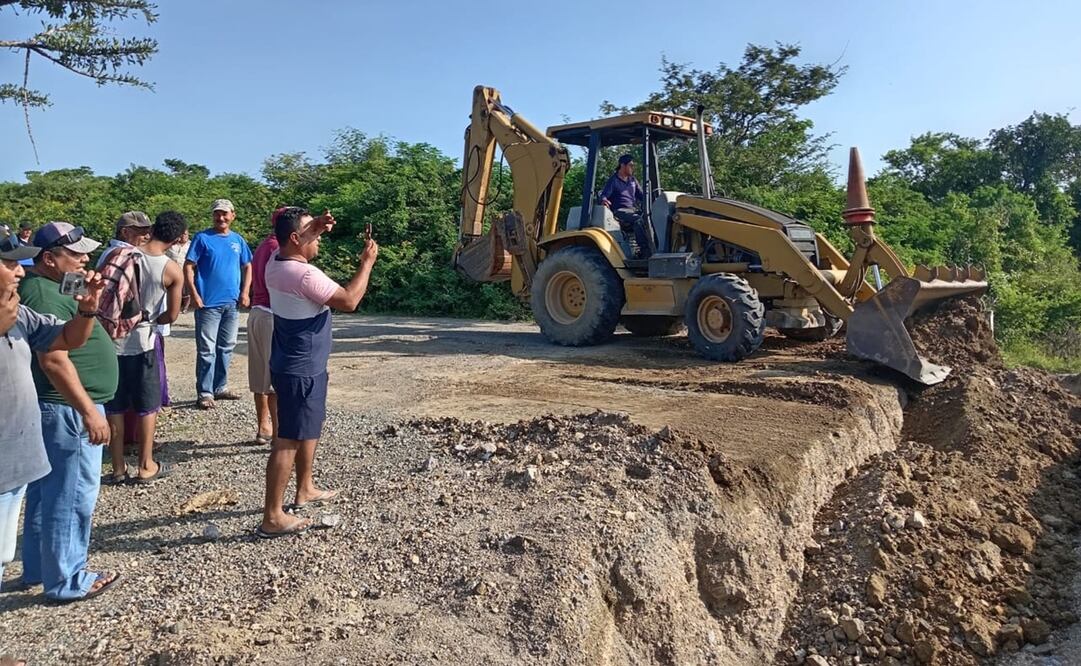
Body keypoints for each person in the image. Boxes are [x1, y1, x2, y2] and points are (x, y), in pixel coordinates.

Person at [0, 224, 113, 597]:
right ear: (50, 258)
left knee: (46, 494)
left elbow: (66, 338)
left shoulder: (27, 304)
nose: (85, 259)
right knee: (70, 495)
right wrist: (88, 410)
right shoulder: (38, 295)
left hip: (37, 425)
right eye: (75, 253)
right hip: (64, 408)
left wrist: (88, 307)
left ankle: (40, 570)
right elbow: (53, 360)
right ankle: (65, 578)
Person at [258, 208, 378, 538]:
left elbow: (299, 239)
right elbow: (349, 300)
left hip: (293, 363)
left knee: (307, 428)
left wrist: (317, 227)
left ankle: (305, 488)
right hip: (302, 370)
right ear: (295, 238)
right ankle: (272, 516)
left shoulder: (275, 262)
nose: (318, 237)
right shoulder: (304, 276)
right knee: (288, 439)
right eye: (310, 230)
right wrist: (367, 263)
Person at [103, 212, 186, 484]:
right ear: (177, 238)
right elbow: (171, 315)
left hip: (112, 341)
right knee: (147, 405)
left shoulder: (124, 254)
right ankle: (145, 464)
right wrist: (153, 320)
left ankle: (117, 468)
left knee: (115, 406)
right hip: (143, 341)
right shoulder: (171, 269)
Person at [185, 199, 252, 410]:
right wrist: (194, 294)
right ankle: (205, 392)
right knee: (207, 349)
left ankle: (220, 387)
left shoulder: (237, 240)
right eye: (217, 214)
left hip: (231, 303)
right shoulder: (202, 238)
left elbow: (248, 266)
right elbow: (189, 266)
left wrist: (245, 292)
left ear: (233, 215)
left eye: (224, 213)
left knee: (227, 346)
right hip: (207, 304)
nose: (220, 218)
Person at [248, 208, 286, 445]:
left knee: (261, 377)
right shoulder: (278, 249)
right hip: (271, 314)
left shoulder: (264, 245)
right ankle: (280, 435)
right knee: (275, 379)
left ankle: (264, 426)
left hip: (258, 312)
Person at [598, 154, 653, 259]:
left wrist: (654, 201)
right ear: (622, 165)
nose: (633, 168)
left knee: (650, 217)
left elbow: (642, 196)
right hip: (619, 211)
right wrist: (604, 200)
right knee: (638, 220)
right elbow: (604, 195)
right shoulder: (613, 180)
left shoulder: (632, 180)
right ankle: (645, 251)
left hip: (632, 210)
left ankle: (654, 247)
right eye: (630, 165)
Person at [165, 228, 191, 312]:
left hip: (185, 271)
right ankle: (173, 307)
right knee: (174, 290)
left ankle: (185, 307)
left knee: (186, 290)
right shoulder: (172, 244)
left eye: (185, 234)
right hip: (172, 272)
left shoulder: (191, 245)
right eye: (182, 234)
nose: (183, 236)